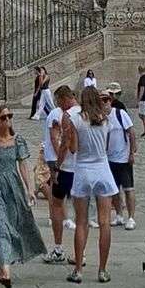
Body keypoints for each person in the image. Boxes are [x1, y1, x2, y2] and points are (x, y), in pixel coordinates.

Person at [0, 104, 44, 287]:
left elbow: (23, 165)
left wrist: (30, 189)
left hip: (14, 187)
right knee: (1, 229)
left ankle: (2, 267)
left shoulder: (18, 141)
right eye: (3, 117)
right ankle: (6, 270)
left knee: (14, 226)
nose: (8, 120)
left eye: (9, 116)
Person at [59, 87, 117, 283]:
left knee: (81, 222)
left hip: (83, 170)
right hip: (102, 168)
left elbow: (73, 149)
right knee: (105, 222)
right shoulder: (105, 120)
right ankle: (102, 270)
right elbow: (107, 147)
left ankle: (78, 270)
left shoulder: (77, 119)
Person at [42, 85, 79, 265]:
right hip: (84, 168)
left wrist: (57, 165)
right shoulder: (88, 114)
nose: (59, 106)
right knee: (82, 210)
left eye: (58, 102)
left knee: (57, 204)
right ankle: (81, 254)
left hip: (66, 168)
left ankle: (58, 249)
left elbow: (64, 144)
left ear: (65, 98)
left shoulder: (67, 116)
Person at [105, 91, 136, 229]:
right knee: (114, 190)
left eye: (106, 100)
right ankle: (118, 214)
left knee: (128, 188)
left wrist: (131, 153)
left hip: (123, 158)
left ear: (110, 101)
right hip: (109, 158)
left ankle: (131, 217)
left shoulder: (120, 114)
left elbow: (131, 132)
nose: (103, 103)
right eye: (101, 101)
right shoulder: (101, 118)